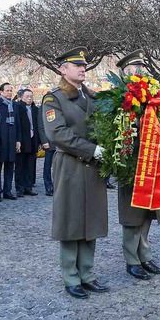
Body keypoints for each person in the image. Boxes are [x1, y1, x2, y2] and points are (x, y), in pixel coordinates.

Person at [41, 47, 109, 300]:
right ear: (63, 69)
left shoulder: (91, 96)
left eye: (84, 65)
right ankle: (71, 276)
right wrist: (93, 149)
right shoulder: (54, 98)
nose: (83, 68)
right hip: (70, 164)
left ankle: (87, 274)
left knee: (91, 219)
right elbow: (57, 133)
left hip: (93, 166)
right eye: (77, 65)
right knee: (71, 220)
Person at [114, 50, 160, 281]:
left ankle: (145, 256)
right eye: (136, 67)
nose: (141, 71)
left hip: (151, 162)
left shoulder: (151, 97)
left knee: (148, 211)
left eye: (142, 66)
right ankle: (131, 260)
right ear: (125, 71)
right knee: (132, 213)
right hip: (131, 162)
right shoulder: (118, 97)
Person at [0, 83, 19, 201]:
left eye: (11, 90)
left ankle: (7, 190)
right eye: (7, 90)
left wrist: (18, 140)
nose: (9, 92)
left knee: (10, 166)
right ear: (1, 92)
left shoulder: (14, 105)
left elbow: (18, 123)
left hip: (12, 139)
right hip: (0, 139)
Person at [15, 88, 40, 196]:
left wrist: (39, 141)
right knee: (20, 165)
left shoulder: (35, 109)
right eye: (27, 96)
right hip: (22, 140)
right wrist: (18, 140)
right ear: (22, 97)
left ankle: (28, 187)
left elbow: (38, 126)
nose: (29, 98)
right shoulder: (18, 107)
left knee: (30, 165)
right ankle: (20, 188)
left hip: (33, 140)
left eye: (31, 96)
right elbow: (17, 125)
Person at [37, 101, 55, 196]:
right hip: (49, 142)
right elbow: (41, 126)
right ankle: (48, 186)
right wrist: (44, 141)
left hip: (60, 142)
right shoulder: (43, 108)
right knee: (47, 166)